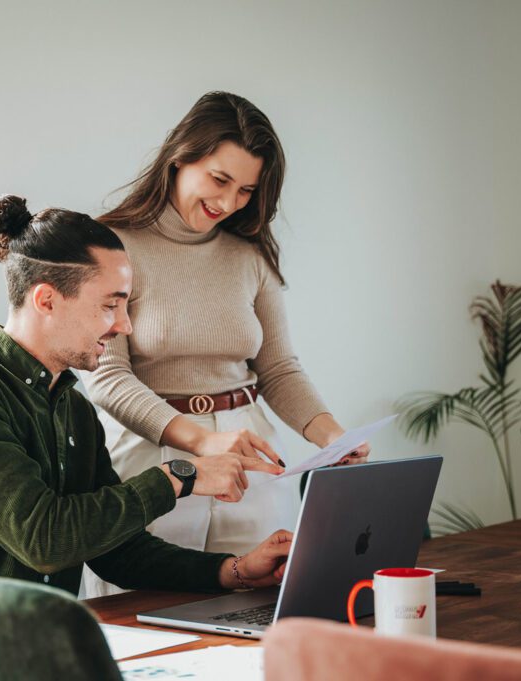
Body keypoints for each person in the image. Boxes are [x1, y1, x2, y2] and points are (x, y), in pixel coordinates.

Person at [0, 194, 292, 596]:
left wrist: (235, 570)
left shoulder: (73, 408)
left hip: (39, 638)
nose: (124, 326)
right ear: (46, 299)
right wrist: (179, 478)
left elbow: (119, 552)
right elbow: (44, 540)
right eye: (109, 306)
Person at [80, 92, 369, 598]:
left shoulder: (248, 254)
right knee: (139, 613)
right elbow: (107, 377)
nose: (229, 202)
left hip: (251, 454)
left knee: (263, 603)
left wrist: (332, 438)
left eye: (246, 190)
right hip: (149, 453)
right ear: (180, 156)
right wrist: (201, 442)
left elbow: (278, 367)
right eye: (219, 179)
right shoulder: (110, 244)